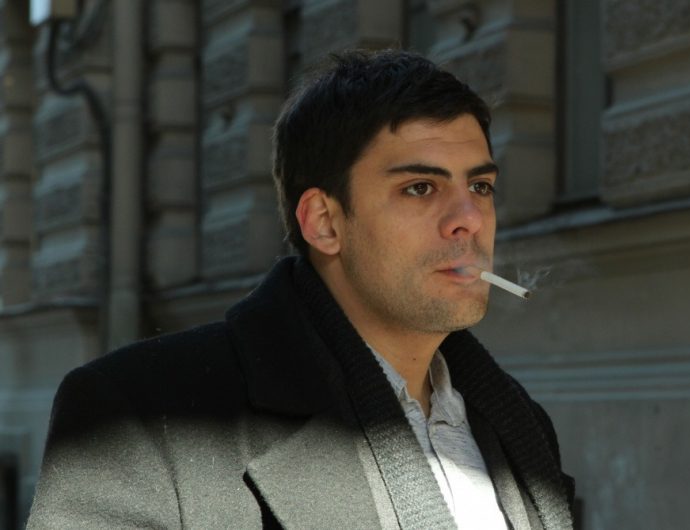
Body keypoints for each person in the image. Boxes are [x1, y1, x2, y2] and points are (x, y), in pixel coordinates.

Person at [27, 49, 575, 529]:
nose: (469, 220)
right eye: (419, 187)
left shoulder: (518, 425)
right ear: (324, 222)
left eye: (480, 186)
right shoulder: (138, 417)